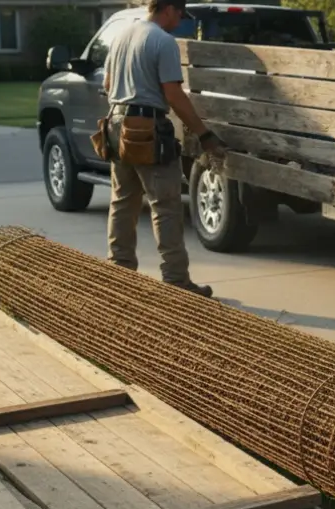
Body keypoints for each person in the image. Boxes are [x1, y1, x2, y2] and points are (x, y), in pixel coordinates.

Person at [102, 0, 224, 297]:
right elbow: (174, 95)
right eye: (180, 13)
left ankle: (119, 276)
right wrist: (204, 133)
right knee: (166, 207)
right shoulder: (163, 41)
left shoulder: (121, 35)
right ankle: (176, 281)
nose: (181, 20)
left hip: (116, 125)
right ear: (168, 8)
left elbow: (107, 84)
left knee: (123, 202)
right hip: (147, 131)